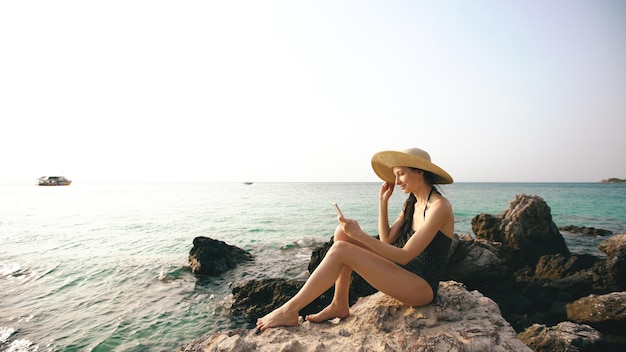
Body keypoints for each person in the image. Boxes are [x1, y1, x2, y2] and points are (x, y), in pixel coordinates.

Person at [256, 147, 454, 331]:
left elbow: (404, 256)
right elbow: (386, 240)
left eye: (401, 173)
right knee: (341, 234)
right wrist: (382, 202)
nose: (397, 180)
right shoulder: (412, 203)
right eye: (395, 175)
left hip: (421, 288)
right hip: (404, 273)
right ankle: (339, 303)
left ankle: (290, 310)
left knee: (341, 250)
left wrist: (359, 234)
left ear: (419, 171)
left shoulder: (440, 207)